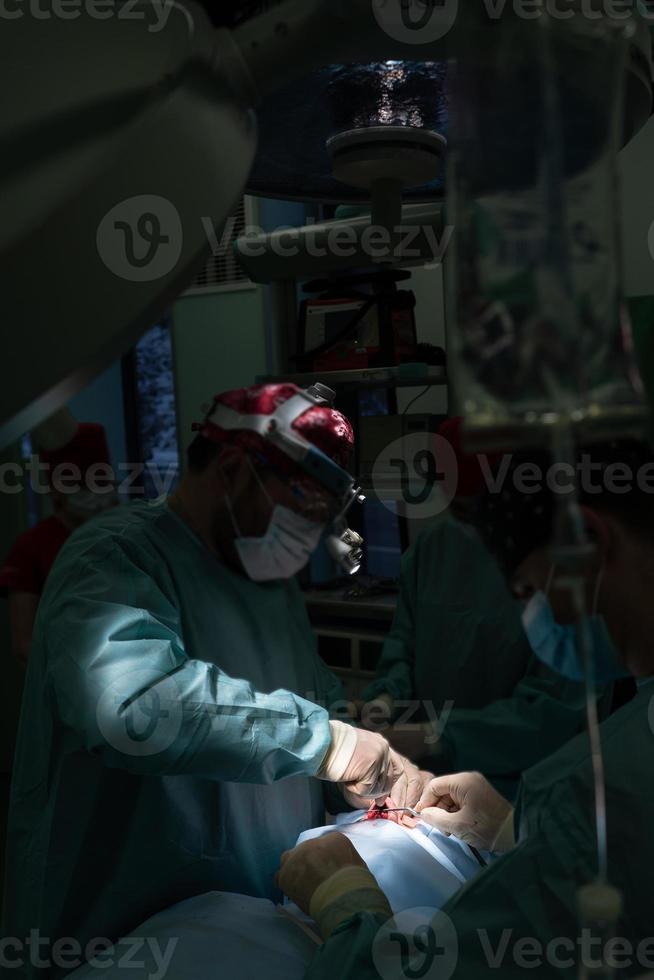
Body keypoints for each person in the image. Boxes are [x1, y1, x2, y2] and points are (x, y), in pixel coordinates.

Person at [2, 383, 429, 980]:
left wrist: (362, 775)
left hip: (259, 921)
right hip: (125, 931)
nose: (309, 535)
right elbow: (133, 706)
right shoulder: (116, 557)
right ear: (232, 470)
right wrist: (330, 746)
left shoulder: (268, 579)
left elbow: (315, 698)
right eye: (301, 507)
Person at [277, 439, 654, 978]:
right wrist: (516, 830)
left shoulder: (616, 788)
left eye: (528, 591)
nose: (531, 616)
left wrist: (347, 905)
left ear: (587, 543)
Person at [363, 418, 600, 793]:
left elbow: (554, 714)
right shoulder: (430, 551)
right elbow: (404, 646)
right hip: (427, 779)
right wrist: (386, 697)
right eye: (458, 510)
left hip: (523, 784)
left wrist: (441, 736)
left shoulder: (556, 569)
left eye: (481, 511)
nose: (475, 528)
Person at [0, 411, 117, 666]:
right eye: (82, 486)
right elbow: (24, 644)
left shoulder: (125, 534)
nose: (95, 494)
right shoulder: (30, 547)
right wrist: (78, 674)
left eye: (102, 482)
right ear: (54, 490)